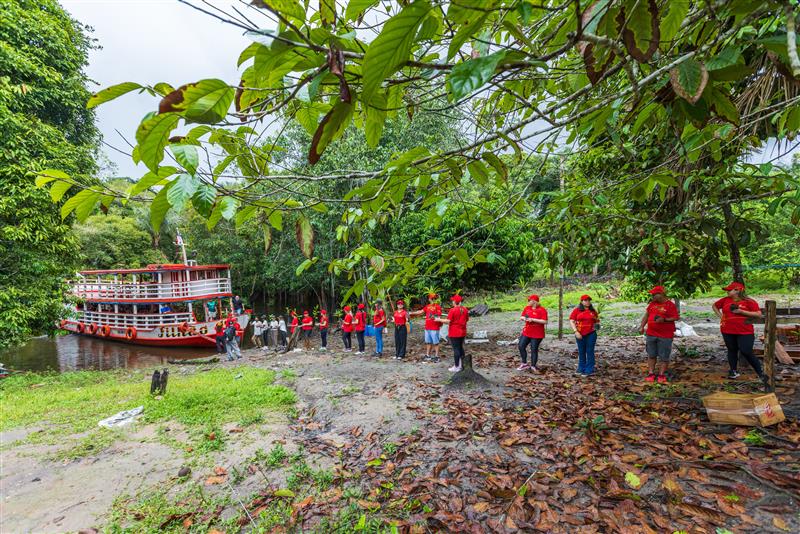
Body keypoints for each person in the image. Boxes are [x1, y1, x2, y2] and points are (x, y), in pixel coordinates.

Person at [712, 282, 767, 384]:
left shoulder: (749, 301)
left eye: (729, 290)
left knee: (746, 350)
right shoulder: (725, 300)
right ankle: (733, 371)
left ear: (737, 290)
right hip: (727, 330)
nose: (727, 292)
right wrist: (721, 317)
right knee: (732, 350)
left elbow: (758, 315)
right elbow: (714, 306)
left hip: (745, 331)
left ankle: (761, 373)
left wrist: (742, 312)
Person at [638, 286, 679, 383]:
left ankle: (661, 374)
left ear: (661, 294)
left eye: (654, 294)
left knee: (664, 356)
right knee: (651, 354)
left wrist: (664, 320)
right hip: (651, 333)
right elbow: (646, 315)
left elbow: (676, 317)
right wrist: (642, 326)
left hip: (665, 335)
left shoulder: (670, 305)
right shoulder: (652, 304)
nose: (652, 296)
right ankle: (651, 373)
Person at [570, 295, 600, 377]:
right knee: (581, 351)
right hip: (579, 334)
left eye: (588, 300)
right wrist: (576, 331)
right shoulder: (577, 310)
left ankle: (589, 369)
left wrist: (595, 329)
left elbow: (597, 321)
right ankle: (581, 368)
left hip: (591, 333)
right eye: (585, 300)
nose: (587, 302)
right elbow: (572, 321)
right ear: (581, 301)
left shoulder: (593, 311)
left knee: (590, 351)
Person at [518, 294, 548, 373]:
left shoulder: (542, 310)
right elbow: (521, 316)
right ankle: (524, 363)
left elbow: (545, 321)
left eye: (529, 300)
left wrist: (533, 320)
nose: (528, 302)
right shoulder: (527, 308)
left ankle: (533, 366)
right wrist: (524, 318)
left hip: (537, 333)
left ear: (534, 301)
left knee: (534, 349)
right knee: (521, 346)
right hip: (527, 331)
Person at [440, 295, 469, 372]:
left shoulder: (453, 310)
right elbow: (467, 319)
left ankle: (456, 366)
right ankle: (462, 364)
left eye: (453, 301)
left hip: (454, 332)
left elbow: (448, 321)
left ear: (455, 302)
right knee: (460, 348)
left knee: (456, 349)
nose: (452, 302)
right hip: (462, 331)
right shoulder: (465, 309)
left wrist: (438, 319)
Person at [411, 293, 443, 363]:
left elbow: (438, 316)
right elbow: (421, 312)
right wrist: (411, 313)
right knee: (428, 342)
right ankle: (428, 355)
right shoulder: (427, 306)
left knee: (436, 342)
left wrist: (433, 316)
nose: (433, 300)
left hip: (434, 327)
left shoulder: (437, 306)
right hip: (427, 327)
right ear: (429, 299)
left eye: (434, 298)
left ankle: (437, 356)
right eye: (432, 298)